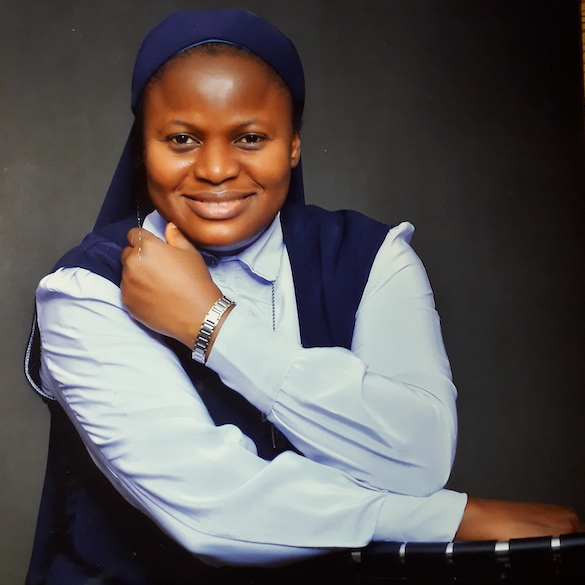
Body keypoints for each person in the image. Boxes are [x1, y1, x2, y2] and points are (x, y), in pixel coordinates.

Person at [24, 9, 582, 585]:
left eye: (250, 138)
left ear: (292, 144)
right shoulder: (85, 291)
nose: (216, 169)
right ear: (144, 148)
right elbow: (212, 509)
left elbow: (418, 459)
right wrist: (456, 519)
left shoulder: (375, 258)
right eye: (182, 139)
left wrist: (210, 323)